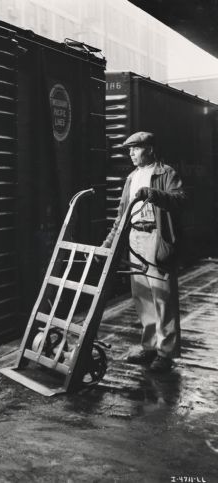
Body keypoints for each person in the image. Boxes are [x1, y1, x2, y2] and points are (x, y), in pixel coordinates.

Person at [103, 131, 185, 373]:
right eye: (129, 149)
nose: (130, 153)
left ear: (149, 148)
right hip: (134, 236)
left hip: (156, 237)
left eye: (135, 149)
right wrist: (108, 243)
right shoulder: (132, 177)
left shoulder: (165, 173)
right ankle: (149, 347)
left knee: (162, 295)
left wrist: (153, 194)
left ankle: (166, 353)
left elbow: (180, 199)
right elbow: (121, 215)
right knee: (142, 294)